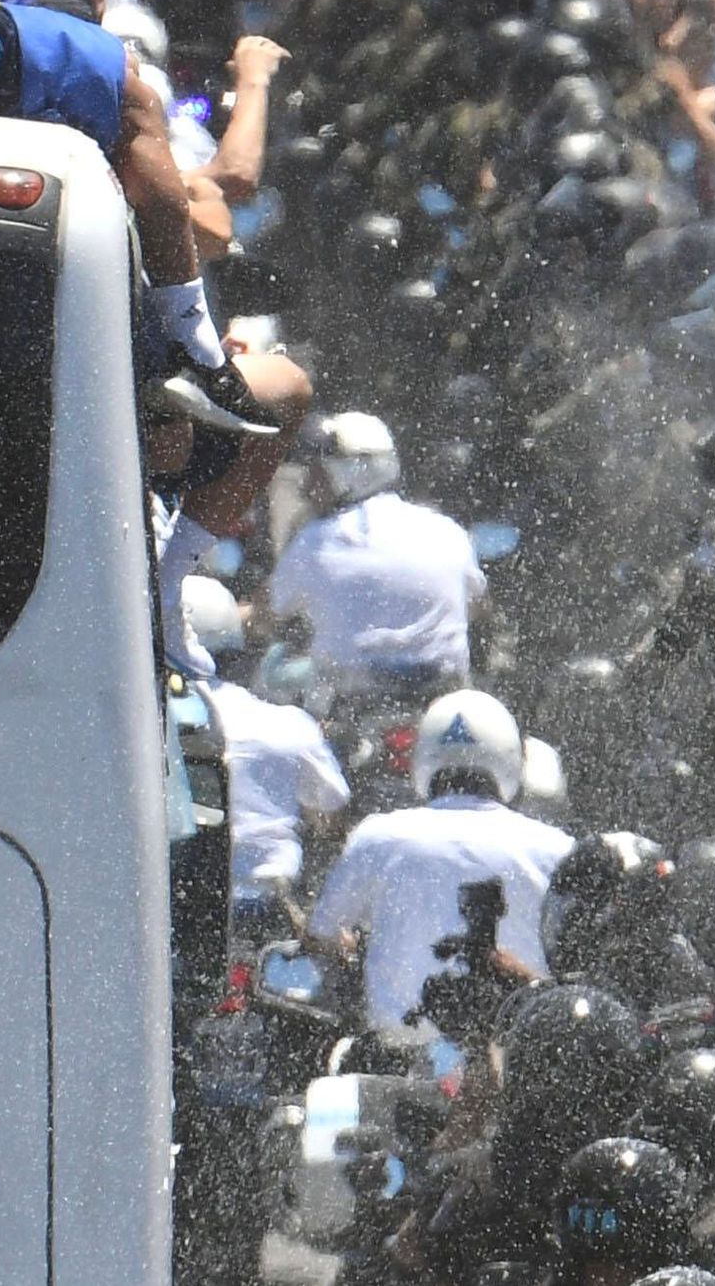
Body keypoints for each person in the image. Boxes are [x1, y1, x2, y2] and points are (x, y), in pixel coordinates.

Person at [306, 688, 572, 1031]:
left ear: (423, 756)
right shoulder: (556, 850)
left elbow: (320, 938)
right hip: (514, 1063)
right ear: (512, 758)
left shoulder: (377, 838)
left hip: (398, 1062)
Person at [269, 411, 486, 707]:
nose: (308, 488)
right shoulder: (447, 531)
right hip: (441, 704)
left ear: (351, 472)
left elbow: (268, 613)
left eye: (318, 473)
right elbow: (476, 606)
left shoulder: (315, 541)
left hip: (350, 710)